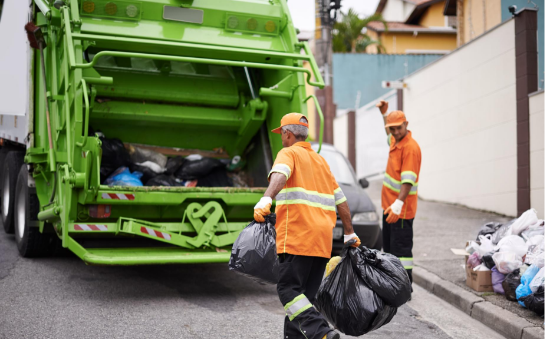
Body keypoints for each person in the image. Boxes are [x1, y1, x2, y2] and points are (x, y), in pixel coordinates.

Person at [253, 113, 360, 339]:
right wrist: (349, 233)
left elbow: (280, 175)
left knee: (288, 291)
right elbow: (341, 200)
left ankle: (321, 332)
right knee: (304, 300)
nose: (281, 139)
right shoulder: (321, 161)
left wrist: (266, 198)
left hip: (297, 236)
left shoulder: (288, 153)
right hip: (322, 241)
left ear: (288, 134)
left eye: (281, 134)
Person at [375, 100, 421, 283]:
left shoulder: (410, 148)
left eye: (398, 128)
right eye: (392, 129)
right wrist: (384, 114)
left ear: (406, 125)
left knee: (402, 252)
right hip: (390, 207)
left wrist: (398, 205)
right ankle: (392, 283)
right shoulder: (396, 141)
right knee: (390, 248)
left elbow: (408, 182)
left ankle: (404, 286)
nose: (395, 132)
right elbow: (389, 133)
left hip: (400, 211)